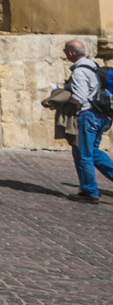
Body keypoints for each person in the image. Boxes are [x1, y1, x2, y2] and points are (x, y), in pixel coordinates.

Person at [65, 38, 113, 203]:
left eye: (65, 51)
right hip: (102, 116)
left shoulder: (79, 71)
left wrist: (64, 98)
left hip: (89, 116)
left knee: (85, 154)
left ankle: (90, 192)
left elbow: (80, 97)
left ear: (71, 53)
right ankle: (87, 188)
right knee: (88, 152)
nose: (65, 54)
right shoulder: (93, 65)